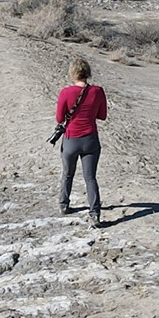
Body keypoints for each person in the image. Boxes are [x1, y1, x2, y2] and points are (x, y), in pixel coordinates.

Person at [55, 56, 108, 226]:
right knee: (90, 178)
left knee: (68, 174)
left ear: (73, 73)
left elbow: (59, 118)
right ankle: (95, 214)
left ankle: (64, 205)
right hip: (91, 139)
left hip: (71, 139)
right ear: (88, 73)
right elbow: (102, 116)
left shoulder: (66, 92)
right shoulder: (98, 91)